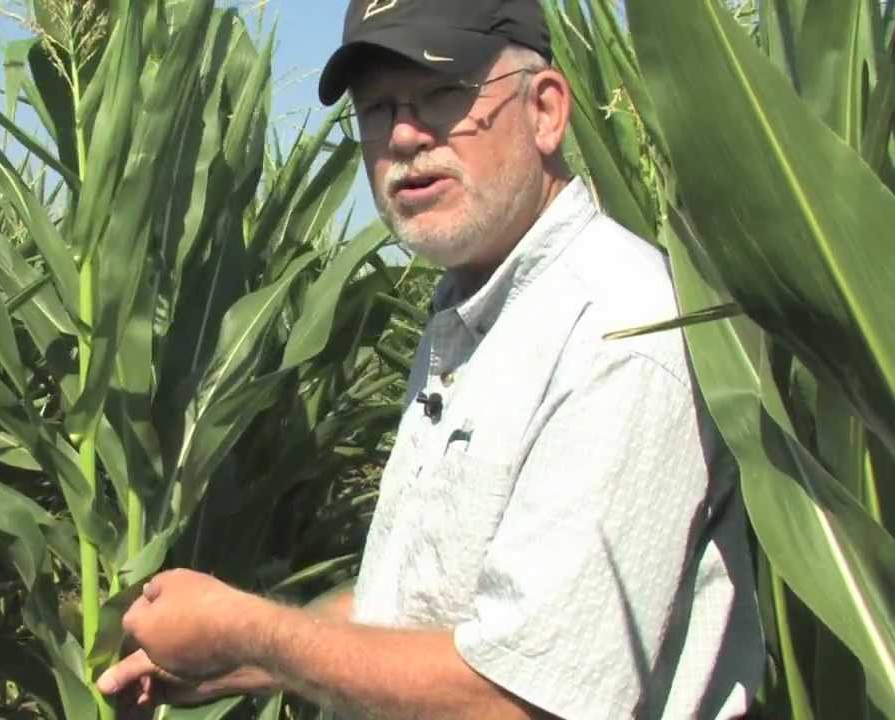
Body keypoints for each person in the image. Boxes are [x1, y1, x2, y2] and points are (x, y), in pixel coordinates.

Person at [97, 0, 766, 717]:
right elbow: (429, 607)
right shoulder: (476, 313)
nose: (406, 135)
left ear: (545, 110)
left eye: (444, 93)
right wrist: (237, 662)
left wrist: (252, 633)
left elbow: (518, 699)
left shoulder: (614, 330)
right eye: (378, 109)